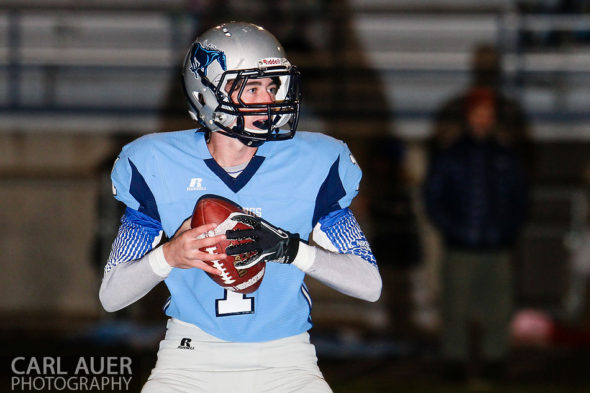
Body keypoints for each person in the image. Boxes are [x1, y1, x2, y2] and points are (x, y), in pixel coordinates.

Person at [99, 22, 381, 393]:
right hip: (188, 362)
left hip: (287, 362)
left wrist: (292, 250)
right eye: (252, 87)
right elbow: (112, 295)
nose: (268, 99)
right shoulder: (155, 164)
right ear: (206, 94)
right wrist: (168, 256)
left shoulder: (315, 163)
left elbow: (369, 284)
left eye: (272, 85)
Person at [424, 87, 528, 381]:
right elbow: (433, 196)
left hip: (497, 245)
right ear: (468, 116)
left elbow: (519, 197)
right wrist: (453, 229)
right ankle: (454, 363)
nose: (483, 120)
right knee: (456, 309)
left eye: (488, 114)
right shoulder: (450, 154)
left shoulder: (506, 155)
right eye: (478, 114)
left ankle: (495, 363)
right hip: (461, 246)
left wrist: (507, 229)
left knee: (499, 309)